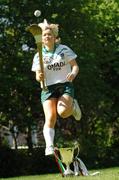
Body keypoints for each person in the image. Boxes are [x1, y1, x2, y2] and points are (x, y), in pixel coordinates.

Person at [31, 19, 81, 156]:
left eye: (49, 34)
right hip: (48, 88)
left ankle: (73, 106)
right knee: (50, 117)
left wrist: (73, 73)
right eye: (44, 35)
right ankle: (49, 146)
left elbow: (75, 66)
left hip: (65, 85)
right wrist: (39, 77)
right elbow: (37, 76)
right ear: (42, 38)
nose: (47, 37)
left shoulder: (64, 49)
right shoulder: (38, 55)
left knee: (63, 112)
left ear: (54, 37)